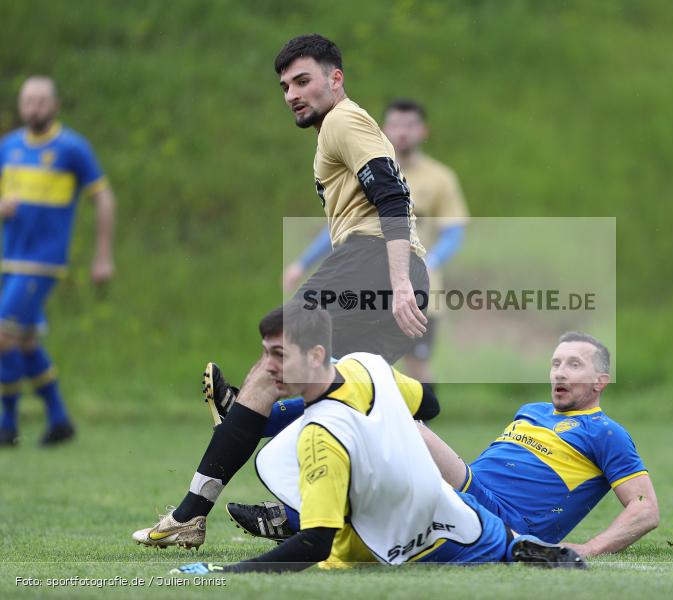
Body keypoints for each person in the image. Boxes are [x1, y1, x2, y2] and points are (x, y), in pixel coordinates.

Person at [133, 33, 430, 547]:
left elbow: (392, 197)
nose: (292, 93)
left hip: (373, 264)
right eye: (285, 86)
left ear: (335, 79)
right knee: (342, 398)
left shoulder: (343, 119)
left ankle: (197, 501)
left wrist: (398, 282)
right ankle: (299, 509)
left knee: (275, 365)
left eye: (303, 81)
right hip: (387, 269)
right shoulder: (337, 129)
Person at [169, 303, 584, 573]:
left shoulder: (318, 436)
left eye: (278, 355)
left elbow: (315, 543)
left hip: (390, 538)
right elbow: (430, 404)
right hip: (453, 510)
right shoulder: (366, 364)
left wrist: (227, 572)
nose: (267, 367)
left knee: (337, 544)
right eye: (265, 353)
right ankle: (521, 547)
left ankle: (279, 518)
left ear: (316, 356)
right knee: (502, 544)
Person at [228, 333, 659, 558]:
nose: (559, 373)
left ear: (601, 380)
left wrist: (588, 548)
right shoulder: (532, 409)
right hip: (465, 493)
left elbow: (645, 509)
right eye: (555, 363)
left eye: (574, 365)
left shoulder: (605, 432)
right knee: (382, 439)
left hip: (500, 516)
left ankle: (258, 426)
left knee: (396, 419)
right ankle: (292, 509)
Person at [283, 98, 469, 382]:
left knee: (416, 366)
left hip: (418, 285)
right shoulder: (368, 165)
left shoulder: (440, 178)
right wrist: (302, 263)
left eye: (410, 125)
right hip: (369, 276)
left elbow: (454, 232)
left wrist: (430, 261)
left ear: (423, 132)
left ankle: (418, 421)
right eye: (395, 125)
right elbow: (343, 226)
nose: (402, 132)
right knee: (360, 367)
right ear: (384, 129)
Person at [0, 76, 116, 447]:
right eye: (27, 101)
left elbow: (104, 198)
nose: (33, 107)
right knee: (26, 342)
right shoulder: (9, 147)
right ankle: (59, 419)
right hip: (9, 258)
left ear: (55, 105)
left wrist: (102, 256)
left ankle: (7, 425)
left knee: (3, 334)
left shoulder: (72, 148)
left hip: (43, 261)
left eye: (40, 101)